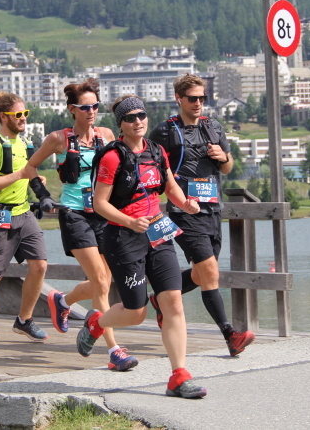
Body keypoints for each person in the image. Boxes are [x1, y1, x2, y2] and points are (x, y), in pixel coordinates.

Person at [76, 95, 207, 399]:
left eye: (141, 115)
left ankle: (179, 376)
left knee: (173, 302)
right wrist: (129, 221)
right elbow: (100, 203)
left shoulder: (156, 151)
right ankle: (96, 322)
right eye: (130, 117)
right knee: (135, 313)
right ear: (121, 124)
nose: (138, 121)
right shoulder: (112, 157)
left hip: (158, 233)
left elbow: (170, 187)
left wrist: (185, 203)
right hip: (123, 237)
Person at [25, 78, 138, 372]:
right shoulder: (58, 139)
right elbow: (30, 166)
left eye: (95, 106)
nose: (91, 112)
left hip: (102, 213)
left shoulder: (106, 135)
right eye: (85, 107)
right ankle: (113, 350)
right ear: (72, 109)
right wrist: (43, 195)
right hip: (74, 214)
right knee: (100, 280)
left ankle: (63, 301)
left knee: (105, 281)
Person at [148, 73, 255, 357]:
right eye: (192, 98)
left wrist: (224, 156)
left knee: (201, 273)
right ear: (179, 99)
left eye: (202, 98)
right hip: (184, 212)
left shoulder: (214, 127)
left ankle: (159, 299)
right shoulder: (164, 131)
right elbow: (147, 165)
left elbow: (227, 168)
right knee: (209, 272)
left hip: (213, 210)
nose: (198, 103)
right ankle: (230, 335)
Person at [0, 91, 53, 342]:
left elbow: (26, 174)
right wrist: (20, 176)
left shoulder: (24, 144)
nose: (23, 118)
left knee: (40, 265)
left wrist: (36, 181)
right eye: (17, 114)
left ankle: (24, 320)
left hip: (23, 212)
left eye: (25, 113)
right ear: (3, 116)